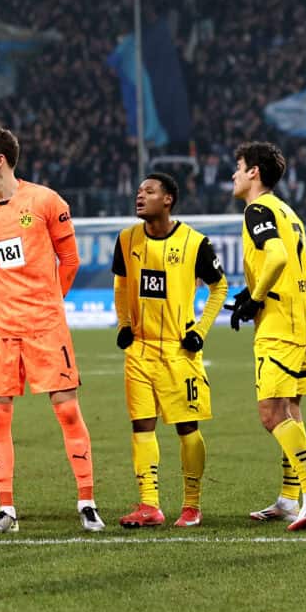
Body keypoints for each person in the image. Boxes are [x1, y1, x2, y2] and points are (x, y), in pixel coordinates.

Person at [0, 126, 104, 533]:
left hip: (45, 326)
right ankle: (6, 509)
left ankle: (87, 501)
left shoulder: (44, 200)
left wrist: (49, 302)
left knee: (68, 410)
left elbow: (69, 259)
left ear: (0, 159)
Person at [228, 141, 306, 531]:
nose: (234, 175)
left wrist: (255, 298)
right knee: (291, 409)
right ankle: (291, 499)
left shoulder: (257, 209)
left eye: (238, 167)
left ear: (254, 171)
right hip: (303, 320)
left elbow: (275, 257)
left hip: (278, 325)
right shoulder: (288, 212)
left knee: (271, 414)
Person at [113, 173, 228, 528]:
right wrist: (123, 324)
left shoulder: (195, 243)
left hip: (178, 352)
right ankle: (149, 505)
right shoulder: (126, 239)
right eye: (138, 191)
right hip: (140, 350)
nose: (139, 195)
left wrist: (201, 330)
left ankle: (191, 506)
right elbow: (120, 284)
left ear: (168, 200)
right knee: (141, 426)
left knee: (186, 428)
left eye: (149, 191)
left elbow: (219, 287)